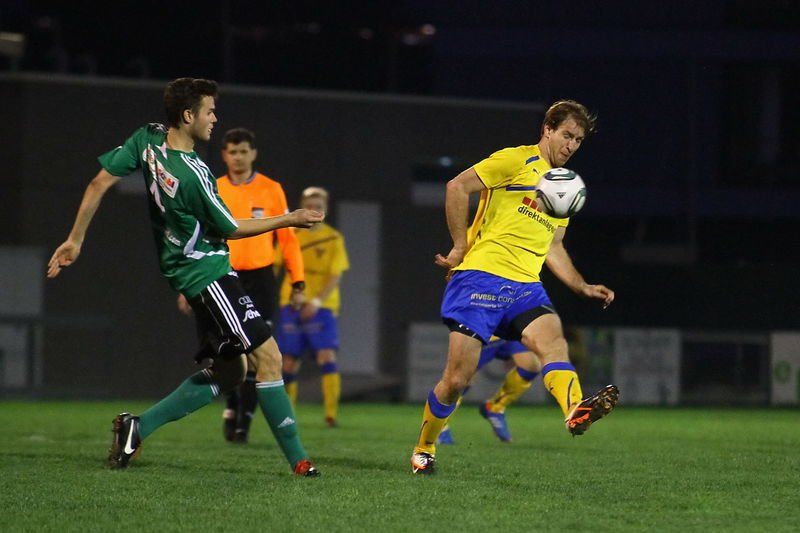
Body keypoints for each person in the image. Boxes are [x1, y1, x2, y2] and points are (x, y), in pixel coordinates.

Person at [47, 77, 323, 476]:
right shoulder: (195, 173)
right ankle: (300, 461)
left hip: (186, 273)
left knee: (232, 371)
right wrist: (291, 218)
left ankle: (137, 428)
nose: (215, 119)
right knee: (270, 357)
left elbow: (99, 182)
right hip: (209, 273)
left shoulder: (148, 138)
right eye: (210, 111)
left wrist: (75, 239)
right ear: (189, 115)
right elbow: (230, 227)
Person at [410, 100, 619, 475]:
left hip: (525, 285)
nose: (571, 145)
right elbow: (457, 186)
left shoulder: (565, 187)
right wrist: (458, 246)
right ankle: (424, 448)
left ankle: (575, 410)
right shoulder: (515, 160)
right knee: (456, 380)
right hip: (480, 277)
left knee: (554, 343)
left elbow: (554, 246)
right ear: (547, 129)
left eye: (578, 140)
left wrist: (581, 285)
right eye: (567, 135)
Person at [177, 127, 306, 444]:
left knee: (260, 355)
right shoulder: (214, 187)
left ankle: (242, 424)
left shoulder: (271, 189)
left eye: (243, 151)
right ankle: (232, 404)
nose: (238, 157)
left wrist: (298, 280)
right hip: (221, 277)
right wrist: (185, 285)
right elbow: (197, 237)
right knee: (230, 355)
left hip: (261, 280)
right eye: (232, 152)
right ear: (224, 155)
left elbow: (287, 238)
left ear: (253, 154)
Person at [276, 187, 349, 427]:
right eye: (310, 206)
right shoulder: (291, 234)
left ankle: (331, 415)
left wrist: (316, 302)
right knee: (288, 361)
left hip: (323, 306)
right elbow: (274, 265)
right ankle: (287, 415)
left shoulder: (333, 238)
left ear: (325, 209)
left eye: (319, 206)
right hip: (291, 302)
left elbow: (335, 275)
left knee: (326, 356)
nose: (314, 210)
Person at [437, 338, 541, 444]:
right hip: (481, 334)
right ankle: (439, 424)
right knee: (462, 379)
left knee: (531, 366)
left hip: (505, 333)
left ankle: (494, 407)